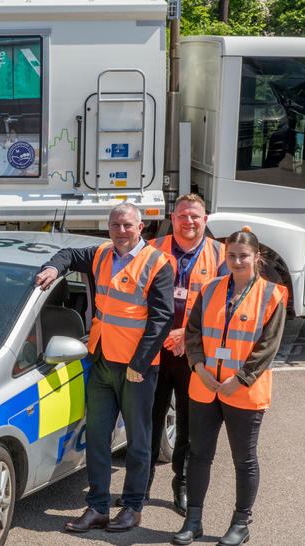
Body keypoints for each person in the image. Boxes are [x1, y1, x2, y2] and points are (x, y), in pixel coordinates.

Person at [35, 202, 174, 533]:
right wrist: (53, 268)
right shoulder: (101, 254)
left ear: (141, 228)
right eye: (115, 225)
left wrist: (140, 364)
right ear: (108, 227)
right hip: (102, 362)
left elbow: (162, 318)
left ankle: (132, 507)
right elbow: (67, 255)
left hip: (137, 368)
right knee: (97, 437)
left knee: (139, 441)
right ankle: (97, 507)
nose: (121, 231)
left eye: (128, 226)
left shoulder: (157, 263)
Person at [172, 230, 286, 546]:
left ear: (256, 257)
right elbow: (192, 333)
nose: (236, 261)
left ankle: (240, 524)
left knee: (244, 460)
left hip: (244, 391)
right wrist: (198, 366)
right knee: (199, 455)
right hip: (205, 386)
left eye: (243, 256)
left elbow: (267, 347)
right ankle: (193, 521)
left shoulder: (271, 295)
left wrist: (240, 379)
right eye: (232, 255)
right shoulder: (210, 290)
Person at [146, 194, 228, 514]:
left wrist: (186, 333)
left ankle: (180, 482)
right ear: (173, 216)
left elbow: (222, 307)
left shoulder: (219, 254)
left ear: (205, 219)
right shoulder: (153, 248)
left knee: (188, 424)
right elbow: (138, 294)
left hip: (193, 352)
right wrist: (164, 332)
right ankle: (142, 483)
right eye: (183, 215)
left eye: (195, 216)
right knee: (148, 419)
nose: (189, 222)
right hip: (155, 349)